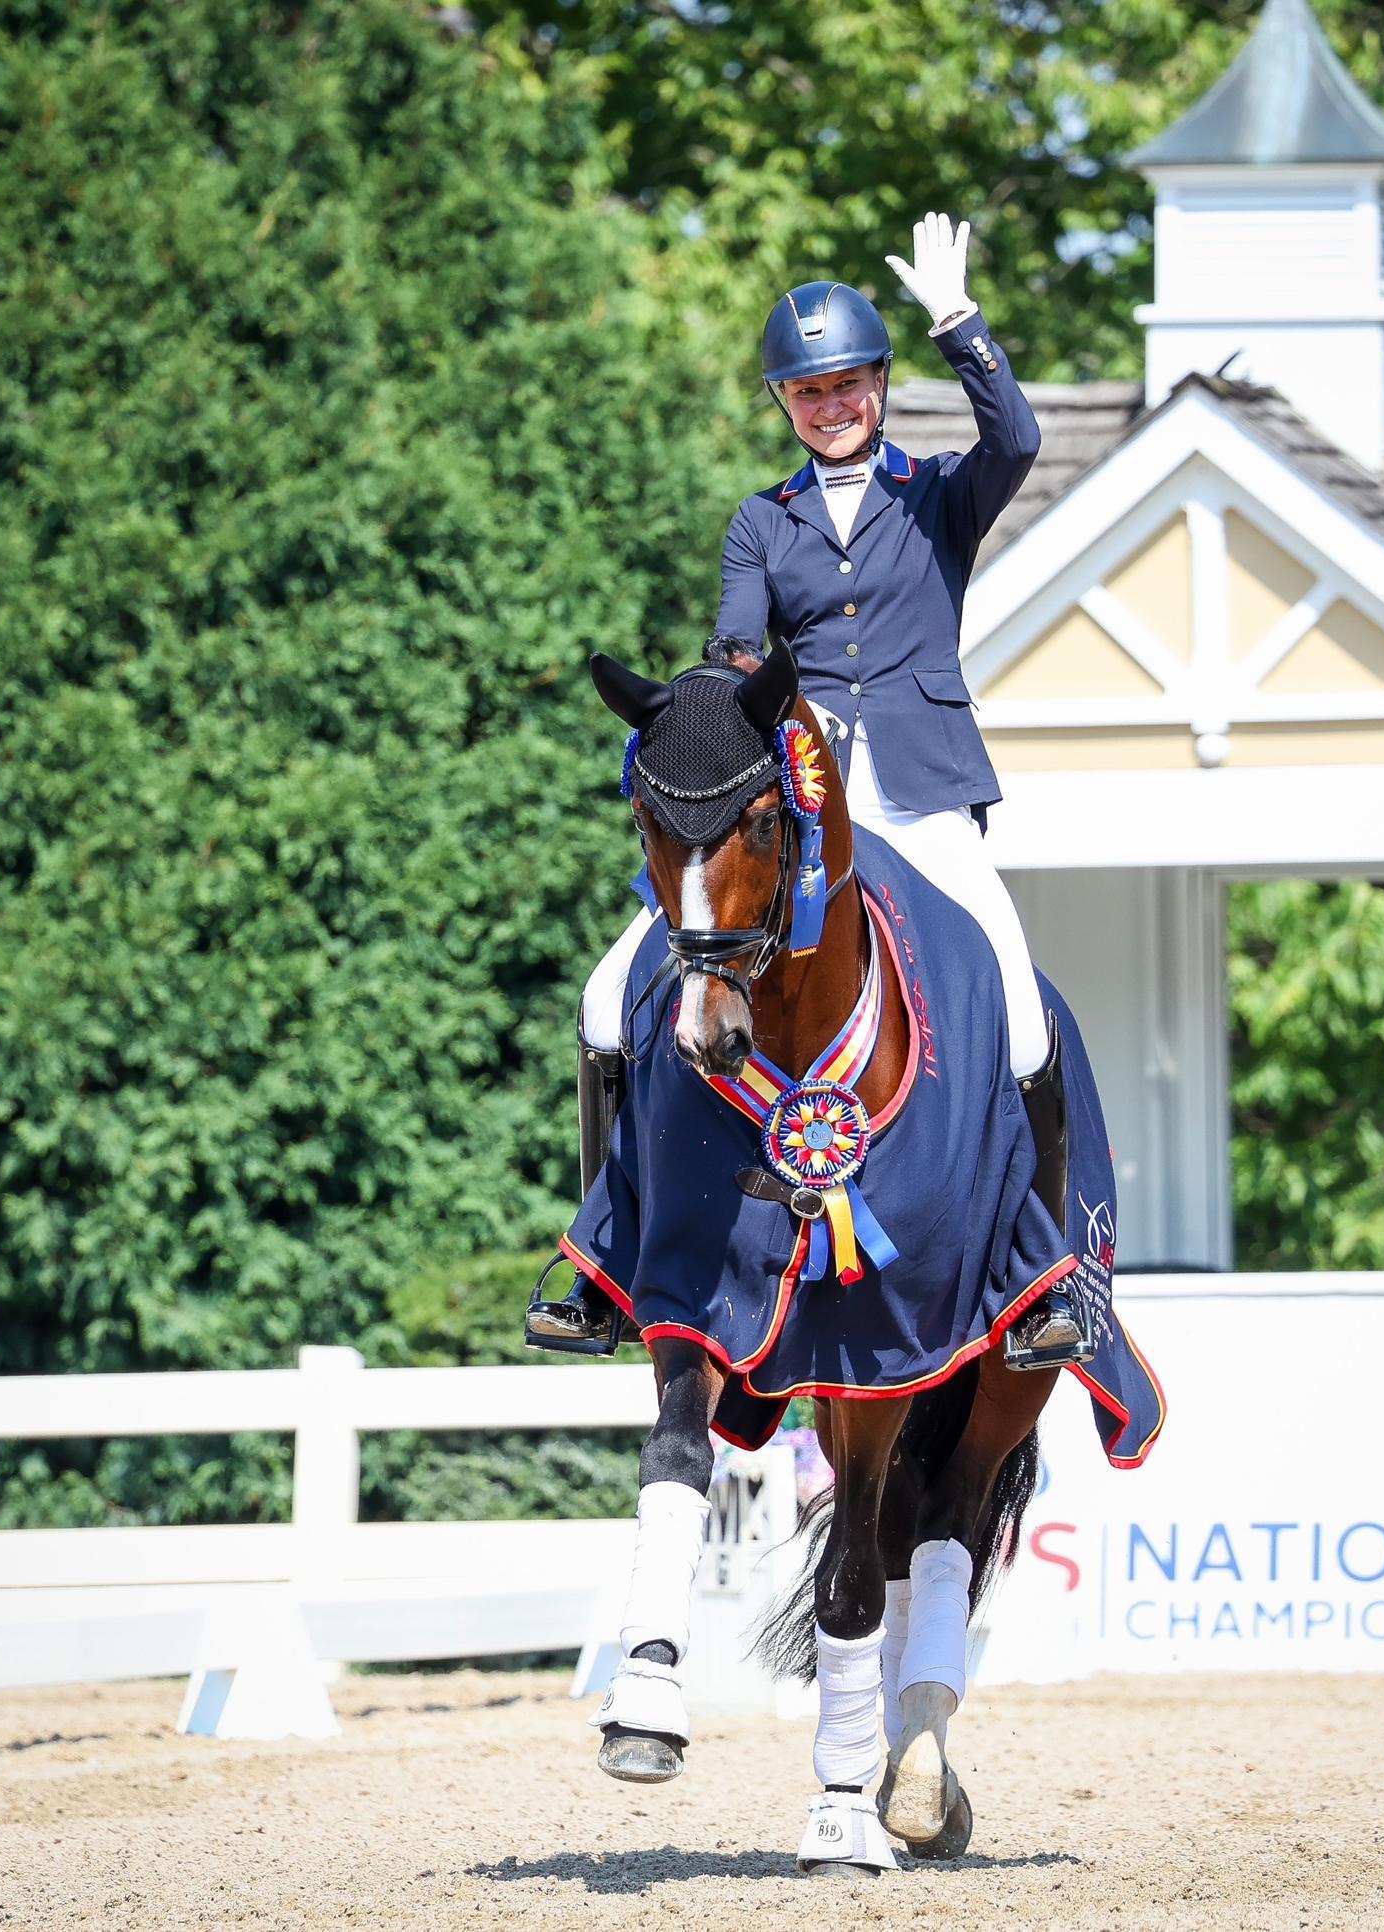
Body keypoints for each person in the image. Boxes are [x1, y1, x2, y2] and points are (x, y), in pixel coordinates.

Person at [529, 212, 1090, 1370]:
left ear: (877, 385)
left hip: (922, 800)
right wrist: (737, 699)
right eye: (806, 391)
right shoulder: (761, 520)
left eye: (845, 384)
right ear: (784, 403)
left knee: (1018, 1011)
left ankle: (1037, 1279)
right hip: (796, 809)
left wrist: (959, 323)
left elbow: (1019, 438)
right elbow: (739, 640)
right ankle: (604, 1271)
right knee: (603, 1001)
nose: (828, 404)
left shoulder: (939, 494)